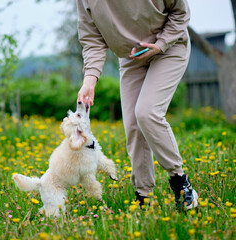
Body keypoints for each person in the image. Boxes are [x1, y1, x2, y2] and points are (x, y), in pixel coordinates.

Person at [76, 0, 198, 209]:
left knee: (147, 113)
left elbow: (180, 13)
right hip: (132, 57)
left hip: (168, 48)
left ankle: (180, 183)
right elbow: (92, 39)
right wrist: (89, 80)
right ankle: (144, 196)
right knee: (133, 125)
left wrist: (161, 43)